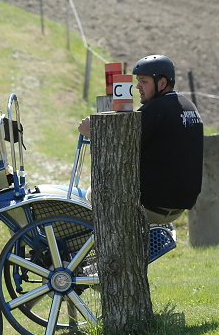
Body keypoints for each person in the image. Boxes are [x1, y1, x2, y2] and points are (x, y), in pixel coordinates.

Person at [77, 54, 203, 224]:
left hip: (150, 205)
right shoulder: (189, 107)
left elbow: (119, 150)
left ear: (162, 83)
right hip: (179, 208)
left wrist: (92, 133)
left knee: (93, 193)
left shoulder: (155, 109)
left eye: (144, 81)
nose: (138, 87)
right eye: (138, 81)